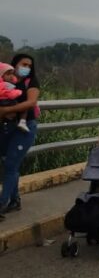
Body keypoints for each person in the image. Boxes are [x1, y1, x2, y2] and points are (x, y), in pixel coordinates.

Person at [0, 54, 40, 216]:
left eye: (29, 66)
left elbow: (31, 102)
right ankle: (14, 200)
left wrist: (5, 111)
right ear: (15, 64)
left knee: (10, 165)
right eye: (24, 64)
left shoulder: (31, 82)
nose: (26, 68)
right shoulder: (7, 81)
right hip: (9, 127)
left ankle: (2, 203)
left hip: (25, 127)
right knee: (10, 164)